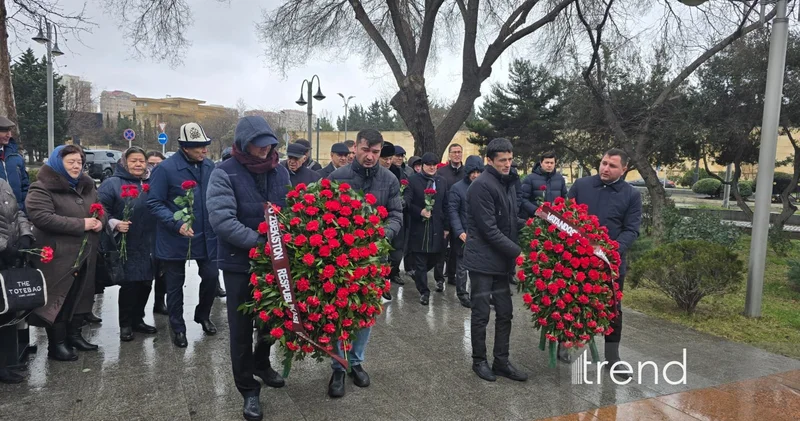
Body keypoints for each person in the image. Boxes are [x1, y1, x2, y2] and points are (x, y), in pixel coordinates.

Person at [207, 116, 289, 421]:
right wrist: (261, 243)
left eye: (270, 145)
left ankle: (262, 363)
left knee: (270, 319)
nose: (266, 151)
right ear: (244, 143)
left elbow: (290, 209)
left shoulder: (279, 170)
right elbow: (223, 221)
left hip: (274, 262)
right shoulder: (224, 172)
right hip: (239, 263)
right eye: (259, 145)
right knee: (241, 328)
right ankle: (247, 387)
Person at [327, 128, 403, 399]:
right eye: (365, 150)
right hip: (341, 259)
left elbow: (396, 213)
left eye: (375, 151)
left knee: (366, 314)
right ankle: (338, 365)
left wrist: (381, 234)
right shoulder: (337, 177)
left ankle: (356, 362)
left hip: (374, 258)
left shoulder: (389, 179)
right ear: (355, 149)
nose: (370, 156)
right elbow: (326, 215)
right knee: (339, 313)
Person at [26, 145, 105, 361]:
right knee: (60, 298)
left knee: (81, 296)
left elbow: (99, 208)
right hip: (58, 255)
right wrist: (81, 224)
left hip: (85, 253)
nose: (76, 166)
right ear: (58, 163)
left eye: (79, 162)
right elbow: (41, 217)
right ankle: (57, 344)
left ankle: (75, 336)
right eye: (71, 162)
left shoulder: (87, 186)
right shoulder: (40, 188)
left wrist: (100, 222)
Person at [568, 148, 641, 377]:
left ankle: (612, 358)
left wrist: (610, 251)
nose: (605, 168)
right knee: (569, 302)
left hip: (610, 264)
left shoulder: (631, 195)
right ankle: (564, 341)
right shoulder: (582, 186)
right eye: (603, 163)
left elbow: (631, 230)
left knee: (613, 311)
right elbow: (566, 217)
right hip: (577, 260)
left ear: (624, 169)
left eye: (612, 165)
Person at [147, 122, 219, 348]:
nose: (204, 150)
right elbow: (154, 202)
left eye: (205, 145)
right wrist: (175, 222)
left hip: (205, 235)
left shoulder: (210, 166)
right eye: (199, 147)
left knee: (211, 276)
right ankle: (177, 326)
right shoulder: (165, 169)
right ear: (185, 148)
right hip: (175, 237)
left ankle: (203, 314)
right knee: (174, 286)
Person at [464, 138, 528, 383]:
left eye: (510, 160)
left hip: (502, 262)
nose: (508, 165)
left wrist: (535, 224)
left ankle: (501, 361)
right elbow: (489, 230)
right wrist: (518, 253)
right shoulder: (481, 186)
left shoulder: (508, 182)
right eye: (503, 160)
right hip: (482, 262)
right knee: (481, 314)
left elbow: (510, 220)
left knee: (505, 312)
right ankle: (479, 361)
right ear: (489, 160)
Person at [98, 147, 158, 342]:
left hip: (150, 240)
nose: (138, 164)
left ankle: (138, 319)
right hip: (127, 241)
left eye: (141, 160)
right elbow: (100, 209)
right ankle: (125, 324)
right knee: (130, 284)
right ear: (125, 162)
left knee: (146, 282)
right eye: (133, 161)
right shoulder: (112, 183)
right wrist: (115, 223)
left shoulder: (153, 182)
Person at [0, 177, 34, 383]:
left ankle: (4, 364)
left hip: (9, 259)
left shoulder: (3, 183)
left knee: (5, 314)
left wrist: (25, 234)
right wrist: (4, 247)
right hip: (4, 253)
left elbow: (18, 213)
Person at [405, 152, 449, 306]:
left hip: (437, 227)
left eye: (434, 165)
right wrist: (420, 211)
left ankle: (418, 275)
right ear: (422, 165)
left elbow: (446, 205)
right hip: (420, 228)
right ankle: (424, 291)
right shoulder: (413, 181)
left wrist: (447, 227)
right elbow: (407, 203)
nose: (432, 167)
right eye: (429, 164)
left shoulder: (442, 181)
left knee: (435, 259)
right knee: (420, 261)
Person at [447, 155, 484, 308]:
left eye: (478, 172)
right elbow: (453, 211)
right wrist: (460, 232)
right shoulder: (457, 188)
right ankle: (462, 293)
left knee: (479, 267)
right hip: (463, 233)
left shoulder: (484, 186)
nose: (475, 175)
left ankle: (479, 293)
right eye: (472, 172)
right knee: (462, 266)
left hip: (480, 234)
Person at [379, 142, 407, 289]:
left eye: (390, 158)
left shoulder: (399, 172)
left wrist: (403, 201)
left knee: (396, 253)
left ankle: (393, 273)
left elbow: (407, 191)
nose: (388, 162)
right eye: (385, 159)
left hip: (395, 218)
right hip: (378, 222)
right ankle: (384, 284)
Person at [436, 144, 464, 287]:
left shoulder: (466, 172)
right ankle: (439, 278)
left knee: (456, 249)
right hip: (444, 216)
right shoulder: (441, 172)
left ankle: (452, 275)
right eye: (454, 152)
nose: (457, 155)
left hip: (461, 218)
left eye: (459, 152)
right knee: (442, 248)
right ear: (449, 155)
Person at [145, 151, 168, 316]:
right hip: (142, 230)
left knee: (162, 269)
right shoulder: (141, 180)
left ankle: (160, 301)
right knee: (146, 271)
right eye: (150, 163)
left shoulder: (165, 178)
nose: (154, 167)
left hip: (161, 229)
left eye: (157, 164)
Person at [520, 151, 568, 219]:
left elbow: (564, 198)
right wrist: (536, 210)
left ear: (555, 164)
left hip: (555, 218)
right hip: (535, 219)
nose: (549, 165)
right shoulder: (530, 179)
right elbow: (523, 199)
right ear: (541, 163)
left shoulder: (560, 179)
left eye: (552, 163)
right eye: (547, 162)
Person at [0, 116, 29, 213]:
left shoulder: (16, 158)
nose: (9, 135)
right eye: (4, 131)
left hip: (18, 213)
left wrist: (24, 209)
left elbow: (25, 186)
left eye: (9, 131)